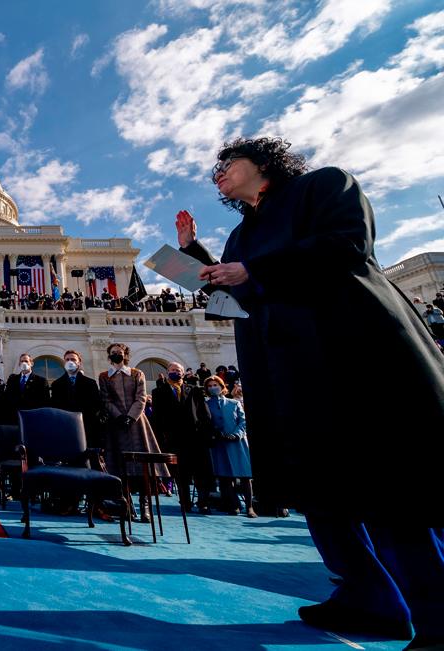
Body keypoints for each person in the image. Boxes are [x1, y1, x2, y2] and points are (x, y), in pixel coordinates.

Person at [176, 136, 444, 645]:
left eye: (227, 164)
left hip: (351, 357)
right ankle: (370, 599)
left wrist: (253, 270)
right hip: (288, 372)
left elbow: (348, 245)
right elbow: (236, 294)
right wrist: (196, 259)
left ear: (264, 162)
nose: (219, 174)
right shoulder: (239, 235)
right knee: (322, 495)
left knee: (387, 490)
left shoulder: (324, 185)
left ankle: (436, 610)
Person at [98, 343, 168, 522]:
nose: (116, 355)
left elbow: (141, 397)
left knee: (142, 466)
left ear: (125, 355)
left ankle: (145, 506)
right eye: (113, 353)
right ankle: (126, 504)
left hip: (137, 424)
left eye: (119, 353)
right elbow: (105, 400)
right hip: (116, 425)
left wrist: (131, 416)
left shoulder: (138, 373)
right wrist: (119, 416)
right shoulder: (104, 376)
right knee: (120, 466)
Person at [150, 362, 214, 514]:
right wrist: (160, 438)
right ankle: (185, 502)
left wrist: (205, 433)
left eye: (177, 370)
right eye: (172, 370)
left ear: (183, 373)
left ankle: (203, 502)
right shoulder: (158, 392)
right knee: (180, 473)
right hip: (174, 438)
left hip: (195, 437)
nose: (175, 372)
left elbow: (204, 414)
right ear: (167, 372)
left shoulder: (195, 390)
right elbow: (157, 417)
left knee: (200, 472)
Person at [203, 376, 256, 518]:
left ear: (222, 386)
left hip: (238, 443)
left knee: (245, 476)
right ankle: (234, 505)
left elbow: (243, 421)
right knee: (225, 478)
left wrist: (236, 434)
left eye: (215, 384)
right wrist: (215, 433)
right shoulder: (206, 404)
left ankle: (249, 507)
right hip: (220, 443)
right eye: (210, 386)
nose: (213, 387)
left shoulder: (234, 403)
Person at [50, 350, 103, 447]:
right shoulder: (56, 385)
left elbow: (96, 405)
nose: (70, 362)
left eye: (73, 359)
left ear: (79, 363)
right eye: (67, 359)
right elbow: (55, 407)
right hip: (65, 426)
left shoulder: (90, 383)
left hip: (86, 427)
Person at [3, 353, 50, 423]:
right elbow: (7, 398)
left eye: (26, 361)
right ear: (19, 364)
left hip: (33, 419)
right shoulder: (12, 379)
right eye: (22, 361)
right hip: (14, 419)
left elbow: (45, 402)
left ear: (31, 363)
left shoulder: (41, 381)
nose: (24, 363)